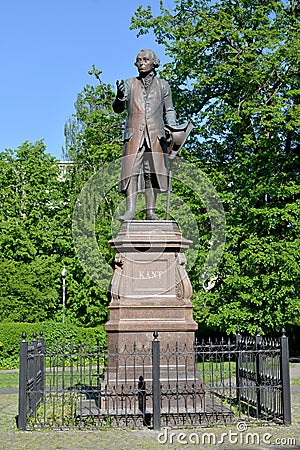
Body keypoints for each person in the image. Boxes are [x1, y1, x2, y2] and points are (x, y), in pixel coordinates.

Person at [113, 49, 177, 221]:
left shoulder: (163, 85)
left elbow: (169, 110)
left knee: (152, 173)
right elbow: (118, 109)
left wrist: (173, 130)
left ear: (154, 62)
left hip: (156, 136)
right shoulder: (129, 84)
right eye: (139, 60)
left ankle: (150, 212)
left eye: (145, 59)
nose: (141, 63)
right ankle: (131, 211)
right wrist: (119, 97)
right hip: (134, 136)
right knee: (131, 172)